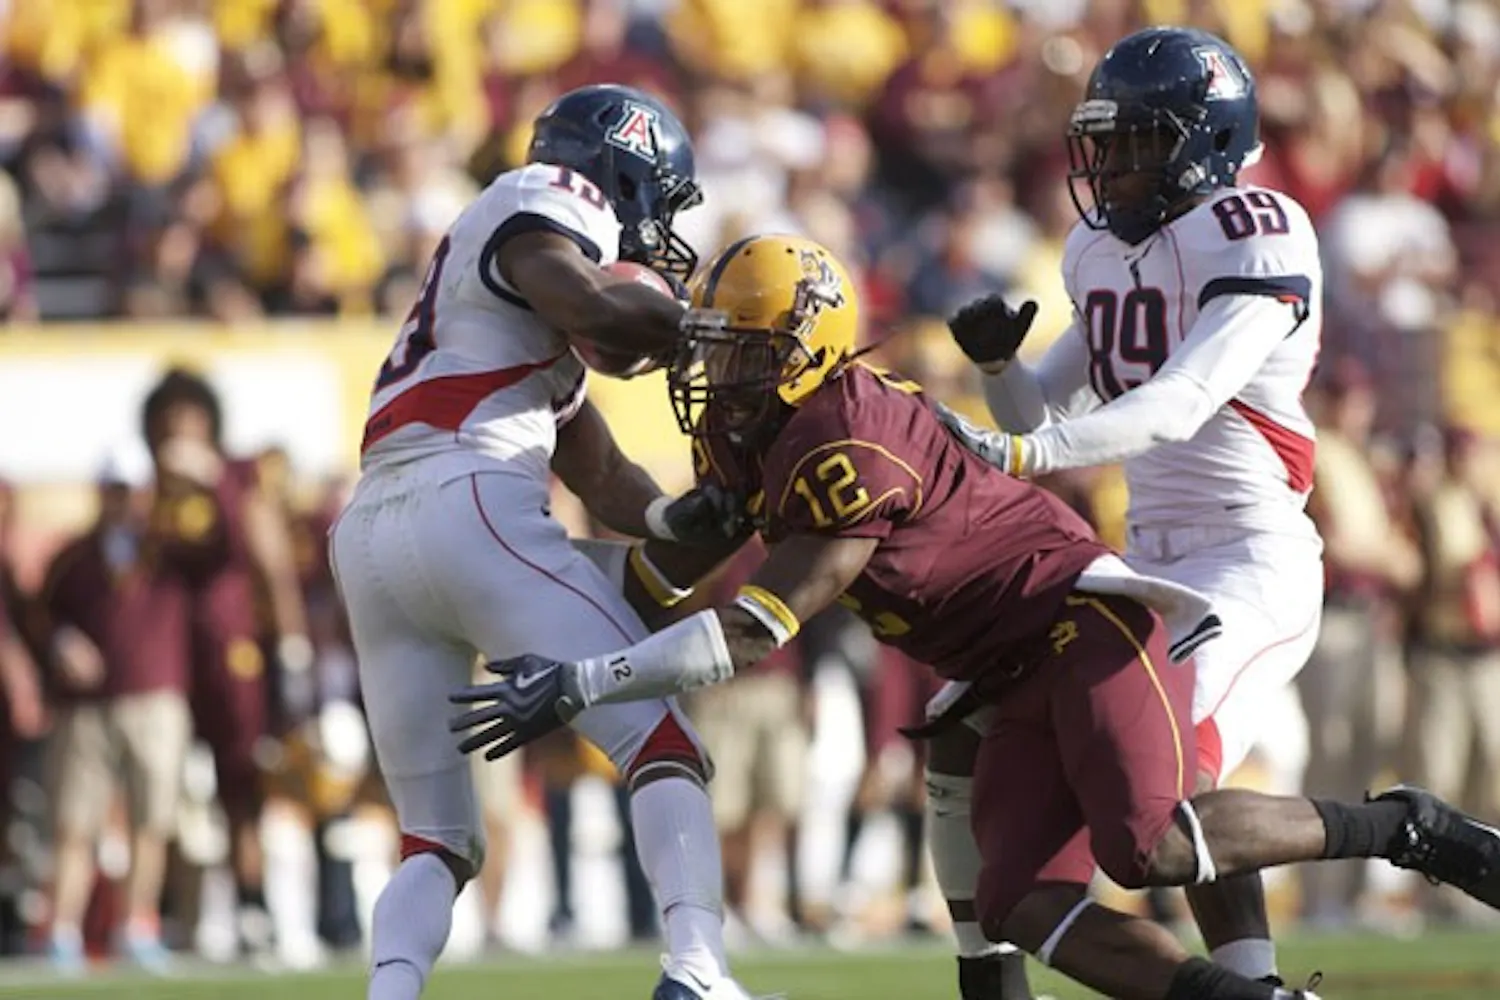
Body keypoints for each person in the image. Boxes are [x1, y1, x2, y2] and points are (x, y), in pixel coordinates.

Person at [449, 234, 1500, 1000]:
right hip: (996, 669)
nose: (720, 370)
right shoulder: (750, 429)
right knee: (1019, 903)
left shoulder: (846, 434)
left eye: (747, 349)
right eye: (717, 344)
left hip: (1080, 627)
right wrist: (495, 557)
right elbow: (657, 575)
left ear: (806, 352)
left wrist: (581, 683)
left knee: (1147, 848)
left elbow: (751, 630)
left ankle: (1401, 825)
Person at [330, 83, 756, 1000]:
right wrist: (706, 333)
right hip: (467, 502)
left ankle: (388, 993)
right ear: (622, 173)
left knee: (435, 839)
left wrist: (684, 520)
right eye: (662, 201)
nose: (661, 230)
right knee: (663, 743)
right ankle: (699, 970)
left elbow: (606, 478)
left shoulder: (499, 334)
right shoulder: (544, 199)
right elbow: (595, 305)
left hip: (372, 538)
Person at [934, 27, 1325, 987]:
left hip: (1248, 557)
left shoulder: (1257, 228)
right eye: (1105, 142)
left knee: (1167, 796)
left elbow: (1176, 404)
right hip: (1145, 563)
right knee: (964, 718)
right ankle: (1244, 985)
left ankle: (1402, 832)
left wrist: (1025, 445)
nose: (1110, 167)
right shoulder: (1099, 247)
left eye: (1139, 142)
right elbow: (1052, 410)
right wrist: (999, 370)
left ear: (1207, 141)